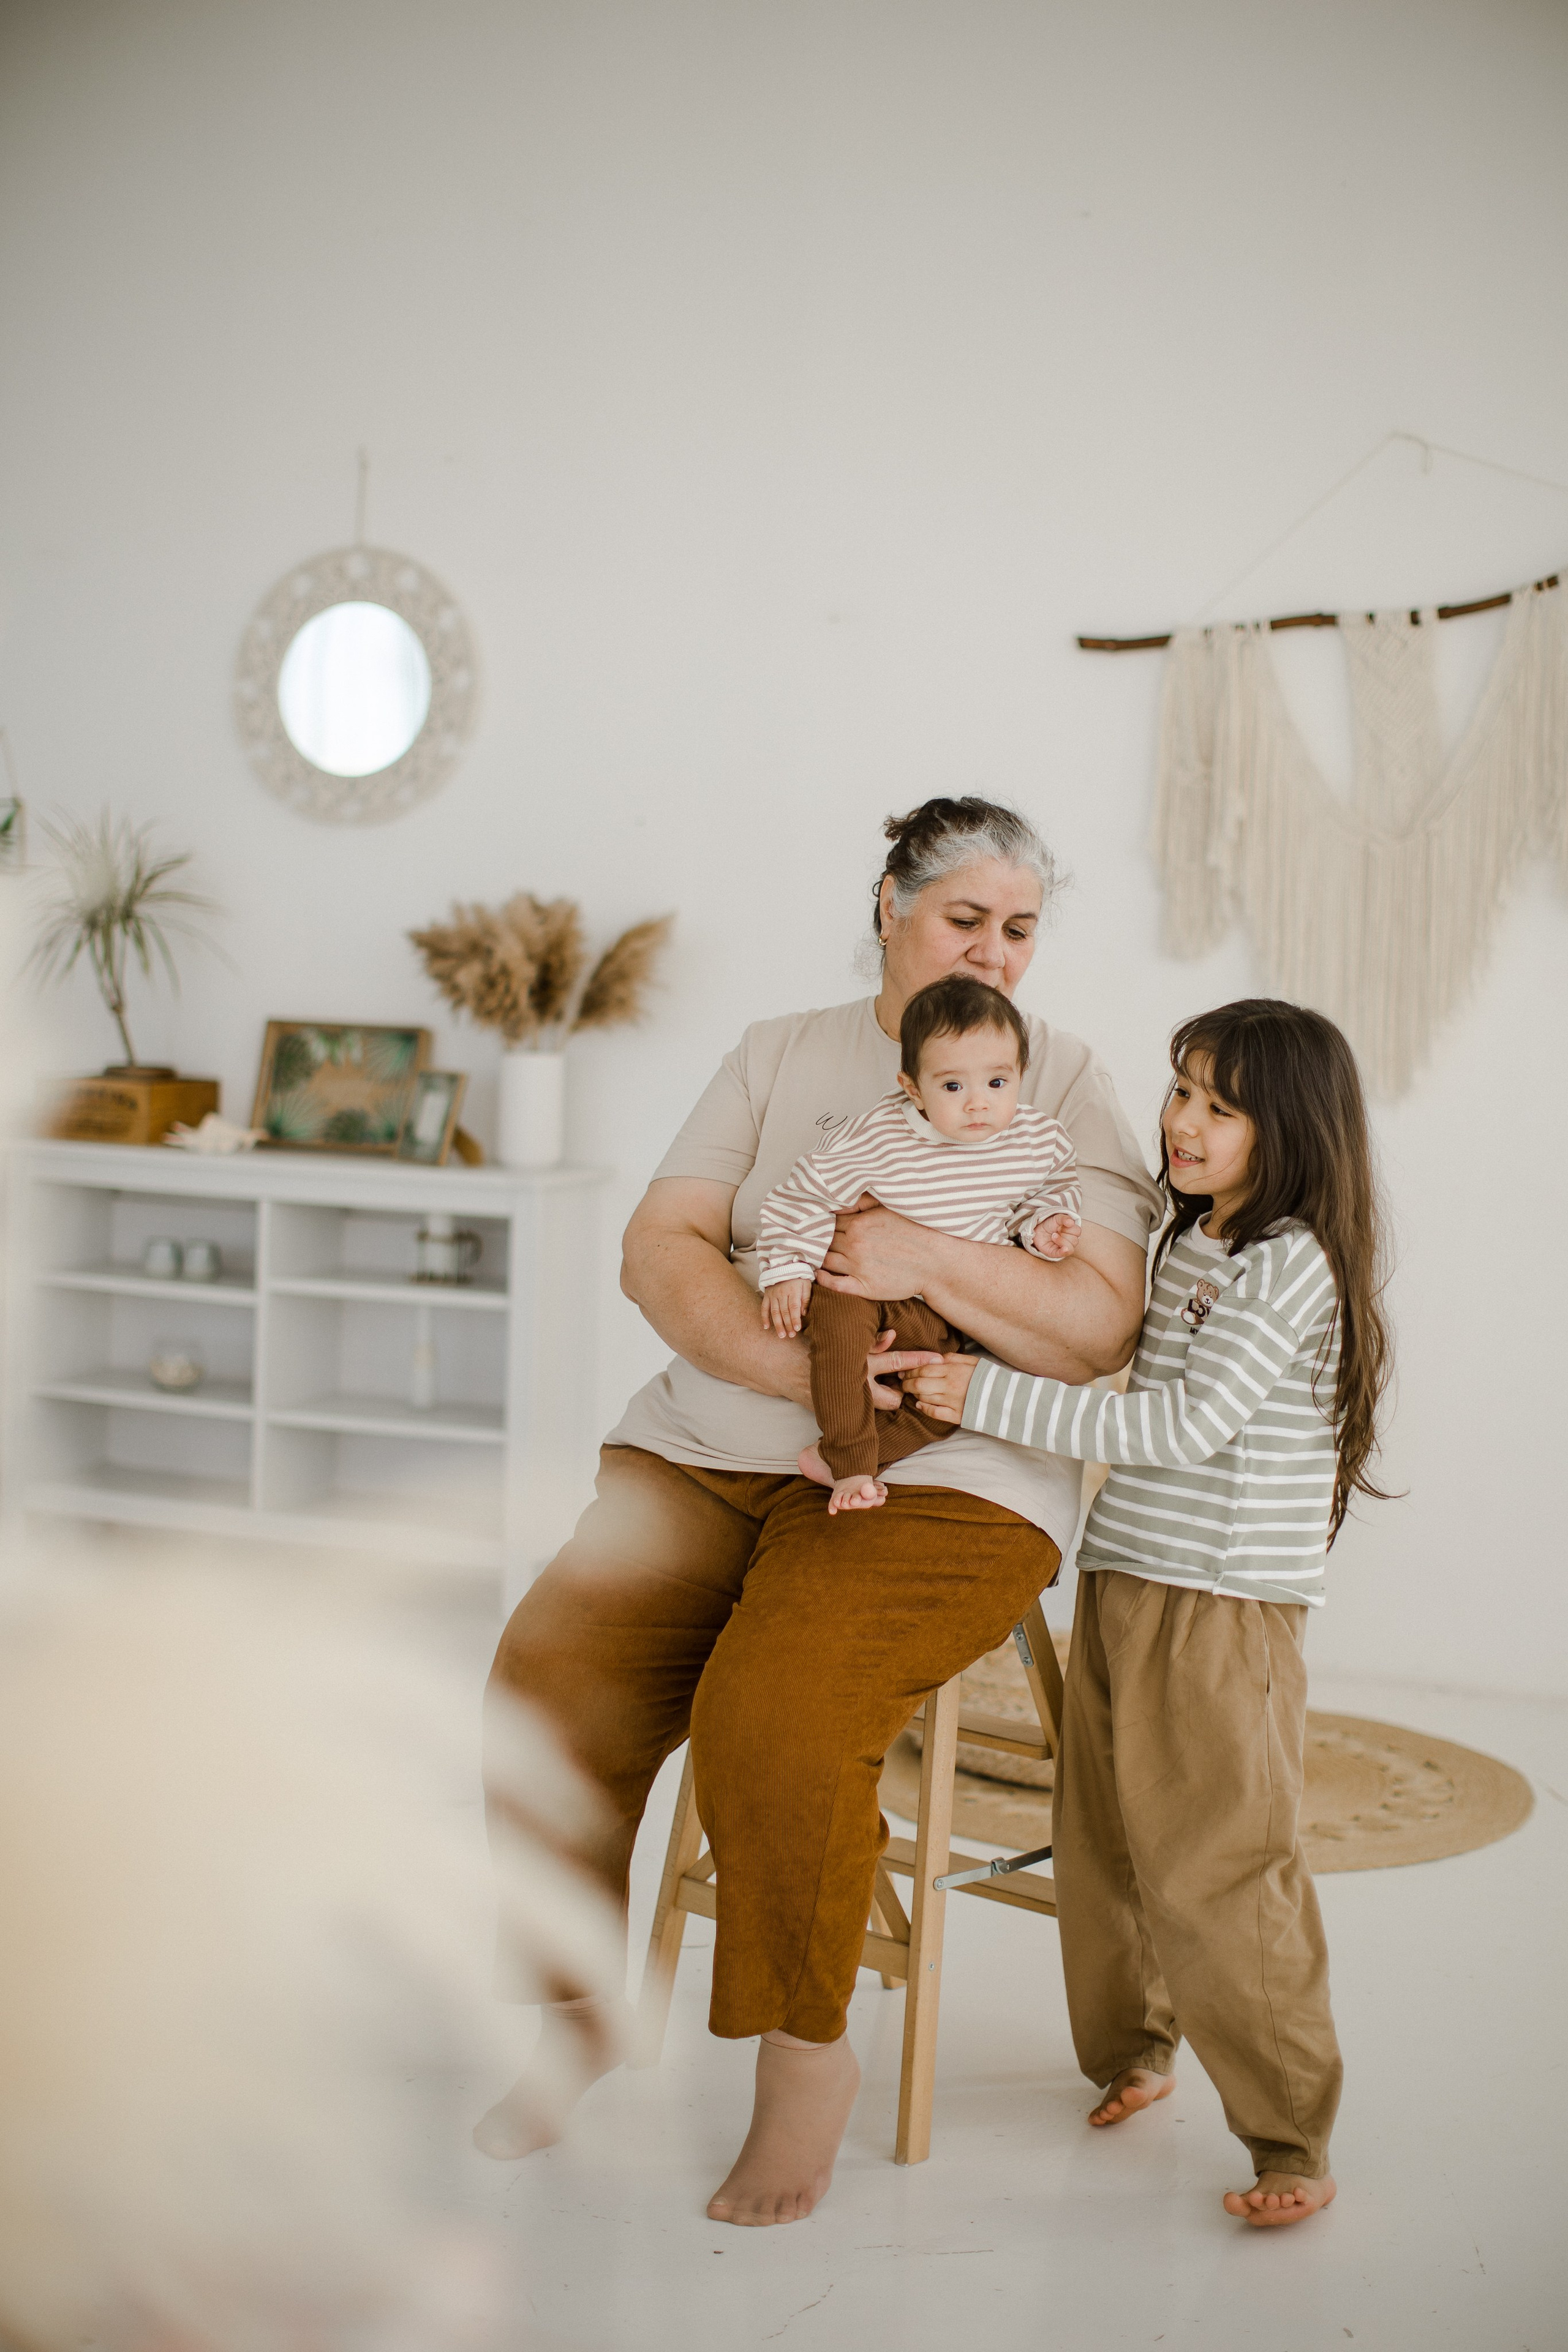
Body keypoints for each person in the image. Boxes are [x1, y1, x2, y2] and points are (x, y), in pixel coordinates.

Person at [476, 795, 1161, 2226]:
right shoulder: (780, 1052)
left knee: (773, 1712)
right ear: (885, 907)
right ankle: (575, 2010)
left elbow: (1095, 1324)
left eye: (1018, 928)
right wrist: (795, 1374)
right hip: (708, 1444)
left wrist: (917, 1256)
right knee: (543, 1687)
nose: (993, 949)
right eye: (960, 918)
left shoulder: (1067, 1076)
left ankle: (805, 2059)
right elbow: (659, 1241)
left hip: (944, 1478)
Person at [905, 998, 1393, 2231]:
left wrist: (983, 1397)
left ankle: (1290, 2136)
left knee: (1222, 1866)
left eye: (1219, 1109)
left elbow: (1177, 1429)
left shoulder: (1289, 1265)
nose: (1182, 1123)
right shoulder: (1187, 1242)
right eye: (1179, 1090)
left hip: (1223, 1607)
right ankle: (1132, 2049)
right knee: (1108, 1843)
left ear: (1287, 1131)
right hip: (1125, 1577)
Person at [756, 973, 1081, 1513]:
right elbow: (804, 1192)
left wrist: (1044, 1226)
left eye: (997, 1083)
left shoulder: (1037, 1141)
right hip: (858, 1288)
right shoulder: (877, 1136)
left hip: (945, 1309)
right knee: (836, 1349)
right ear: (914, 1087)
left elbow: (1049, 1192)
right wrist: (788, 1269)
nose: (978, 1104)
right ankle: (850, 1465)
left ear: (1021, 1075)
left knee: (944, 1399)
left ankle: (861, 1453)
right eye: (953, 1087)